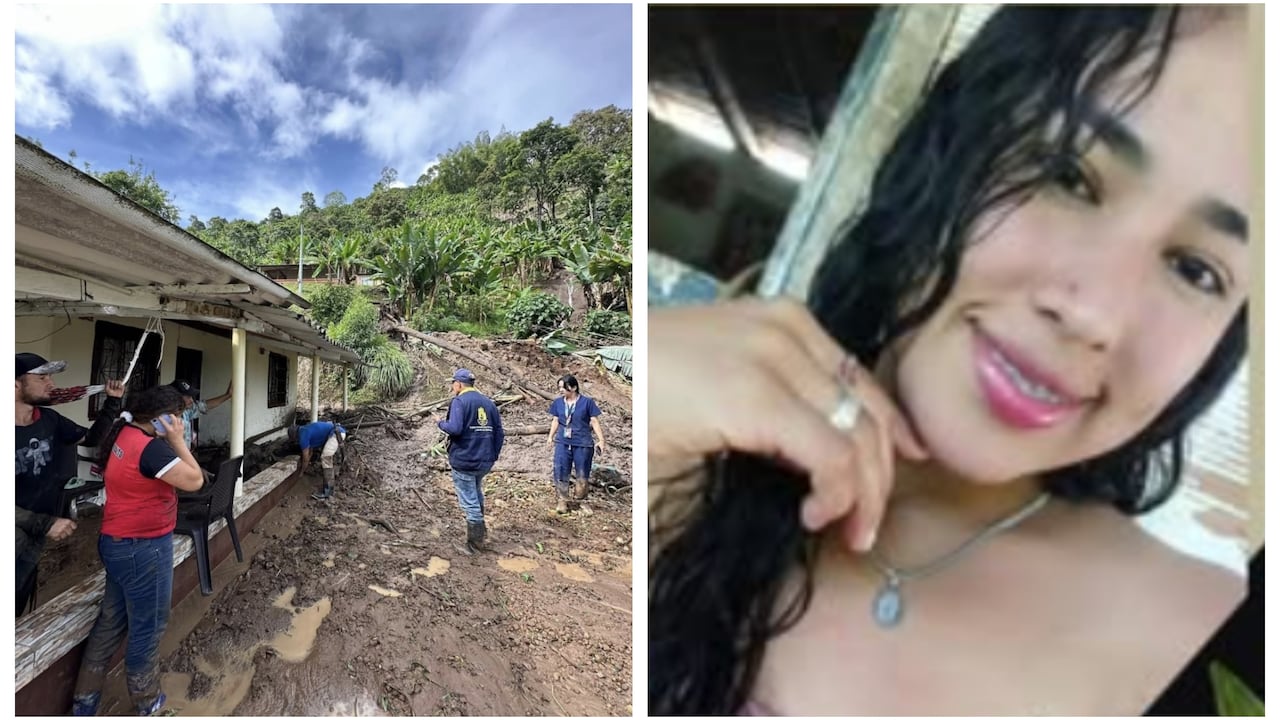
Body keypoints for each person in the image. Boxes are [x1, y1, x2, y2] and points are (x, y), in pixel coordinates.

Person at [649, 6, 1249, 716]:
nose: (1094, 313)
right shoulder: (675, 448)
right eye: (1069, 175)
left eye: (1196, 270)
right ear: (956, 145)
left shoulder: (1224, 659)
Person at [70, 385, 205, 716]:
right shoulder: (152, 450)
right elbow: (195, 480)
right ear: (161, 419)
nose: (180, 420)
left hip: (117, 542)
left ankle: (84, 701)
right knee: (148, 627)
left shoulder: (125, 433)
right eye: (177, 415)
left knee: (112, 621)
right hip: (142, 549)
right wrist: (177, 440)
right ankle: (147, 701)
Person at [15, 353, 125, 616]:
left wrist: (112, 403)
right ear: (14, 384)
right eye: (42, 377)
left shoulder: (50, 420)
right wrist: (46, 523)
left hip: (37, 532)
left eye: (50, 377)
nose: (50, 383)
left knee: (18, 595)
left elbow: (92, 439)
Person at [437, 369, 504, 555]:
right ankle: (481, 532)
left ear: (458, 384)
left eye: (453, 384)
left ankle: (475, 544)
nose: (452, 387)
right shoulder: (488, 403)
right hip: (484, 460)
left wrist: (440, 423)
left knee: (469, 501)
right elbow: (499, 432)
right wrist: (494, 454)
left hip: (465, 459)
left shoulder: (460, 401)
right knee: (476, 492)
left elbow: (455, 428)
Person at [545, 374, 607, 513]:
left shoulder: (587, 402)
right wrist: (550, 437)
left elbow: (594, 421)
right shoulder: (558, 403)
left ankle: (581, 500)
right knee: (561, 470)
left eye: (563, 387)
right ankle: (563, 500)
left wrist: (601, 440)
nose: (561, 390)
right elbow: (555, 420)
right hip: (563, 442)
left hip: (583, 444)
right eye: (559, 387)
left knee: (582, 472)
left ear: (573, 387)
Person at [286, 420, 348, 500]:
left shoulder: (302, 436)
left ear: (294, 436)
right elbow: (310, 452)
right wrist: (306, 463)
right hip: (337, 431)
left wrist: (301, 472)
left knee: (325, 457)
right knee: (327, 456)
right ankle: (330, 483)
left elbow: (305, 459)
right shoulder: (305, 429)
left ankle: (328, 492)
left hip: (336, 434)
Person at [169, 379, 232, 449]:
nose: (191, 400)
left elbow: (204, 406)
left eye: (191, 397)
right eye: (188, 397)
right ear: (175, 398)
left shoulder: (186, 411)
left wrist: (227, 395)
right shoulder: (166, 418)